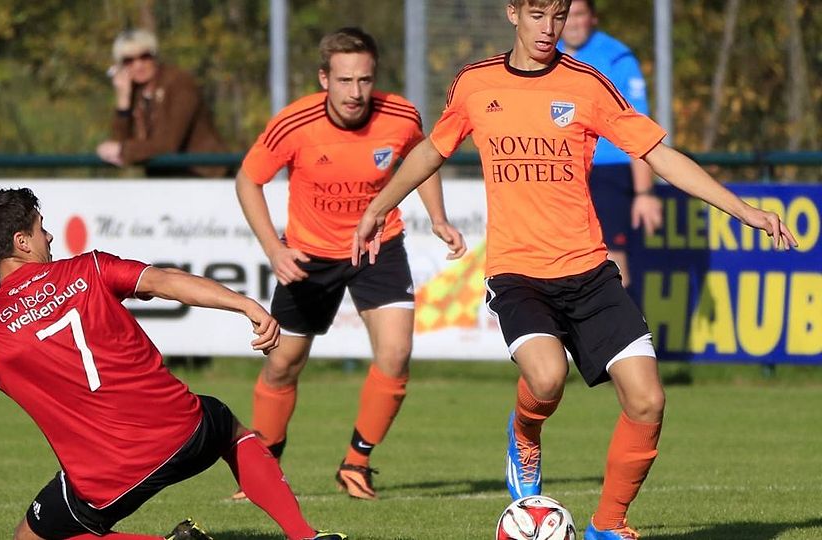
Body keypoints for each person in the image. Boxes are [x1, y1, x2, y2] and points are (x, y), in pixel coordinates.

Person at [353, 1, 796, 538]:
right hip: (518, 271)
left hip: (588, 270)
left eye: (558, 15)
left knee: (648, 400)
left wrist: (743, 210)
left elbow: (659, 155)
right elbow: (431, 152)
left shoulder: (587, 84)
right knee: (546, 378)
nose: (549, 28)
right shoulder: (475, 83)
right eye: (538, 14)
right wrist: (377, 208)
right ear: (513, 12)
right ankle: (524, 435)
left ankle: (607, 525)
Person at [0, 188, 346, 540]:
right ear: (21, 241)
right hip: (185, 430)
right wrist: (245, 304)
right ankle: (304, 536)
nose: (49, 236)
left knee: (32, 538)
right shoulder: (90, 269)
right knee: (227, 426)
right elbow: (166, 281)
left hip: (109, 476)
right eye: (41, 228)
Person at [235, 27, 466, 500]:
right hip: (309, 255)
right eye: (344, 80)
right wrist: (275, 250)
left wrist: (438, 218)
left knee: (396, 354)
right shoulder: (293, 123)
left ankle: (357, 463)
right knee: (283, 364)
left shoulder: (400, 115)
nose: (355, 92)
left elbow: (423, 159)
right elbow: (247, 180)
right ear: (324, 78)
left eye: (364, 80)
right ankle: (265, 464)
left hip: (378, 246)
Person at [558, 0, 662, 287]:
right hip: (564, 171)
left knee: (611, 261)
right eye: (566, 16)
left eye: (579, 15)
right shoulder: (548, 54)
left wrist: (644, 192)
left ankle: (619, 317)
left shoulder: (617, 58)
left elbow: (639, 126)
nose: (572, 23)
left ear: (593, 18)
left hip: (609, 172)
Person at [95, 29, 229, 178]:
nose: (138, 65)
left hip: (204, 175)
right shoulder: (136, 92)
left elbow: (167, 144)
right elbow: (119, 142)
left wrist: (122, 150)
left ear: (155, 56)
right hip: (165, 177)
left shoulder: (179, 83)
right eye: (129, 61)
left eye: (145, 56)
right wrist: (123, 100)